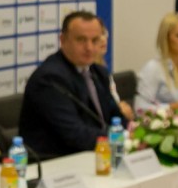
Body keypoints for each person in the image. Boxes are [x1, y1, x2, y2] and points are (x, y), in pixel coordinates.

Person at [19, 10, 127, 158]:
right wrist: (120, 138)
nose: (89, 47)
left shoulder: (98, 72)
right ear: (63, 40)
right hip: (58, 162)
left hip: (97, 154)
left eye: (95, 40)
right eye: (81, 40)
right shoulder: (50, 79)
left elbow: (116, 117)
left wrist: (130, 133)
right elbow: (76, 135)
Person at [96, 25, 135, 120]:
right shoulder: (86, 74)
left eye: (103, 33)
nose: (103, 39)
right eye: (97, 36)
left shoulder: (103, 70)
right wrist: (119, 110)